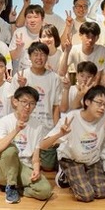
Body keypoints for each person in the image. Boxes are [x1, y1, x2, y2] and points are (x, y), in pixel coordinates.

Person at [41, 86, 105, 202]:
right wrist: (60, 134)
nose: (103, 107)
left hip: (92, 160)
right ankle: (64, 174)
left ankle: (82, 175)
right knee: (86, 195)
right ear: (87, 102)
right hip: (71, 160)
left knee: (102, 192)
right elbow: (43, 145)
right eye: (99, 103)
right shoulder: (72, 117)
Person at [0, 86, 53, 204]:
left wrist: (36, 169)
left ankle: (16, 188)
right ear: (15, 102)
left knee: (45, 191)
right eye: (24, 102)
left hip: (23, 167)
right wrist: (16, 130)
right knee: (10, 150)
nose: (27, 106)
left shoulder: (38, 125)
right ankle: (11, 187)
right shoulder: (4, 121)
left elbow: (35, 156)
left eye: (32, 103)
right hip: (2, 167)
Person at [9, 42, 62, 171]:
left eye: (42, 54)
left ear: (47, 57)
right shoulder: (21, 76)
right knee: (23, 161)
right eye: (35, 54)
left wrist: (56, 131)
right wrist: (21, 87)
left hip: (46, 128)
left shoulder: (54, 78)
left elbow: (56, 106)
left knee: (48, 166)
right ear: (29, 57)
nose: (39, 58)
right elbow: (13, 104)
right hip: (25, 128)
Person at [9, 3, 44, 73]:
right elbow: (10, 57)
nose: (32, 20)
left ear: (42, 19)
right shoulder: (19, 33)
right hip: (20, 76)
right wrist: (18, 49)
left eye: (35, 17)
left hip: (41, 76)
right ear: (25, 19)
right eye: (29, 17)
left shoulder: (47, 34)